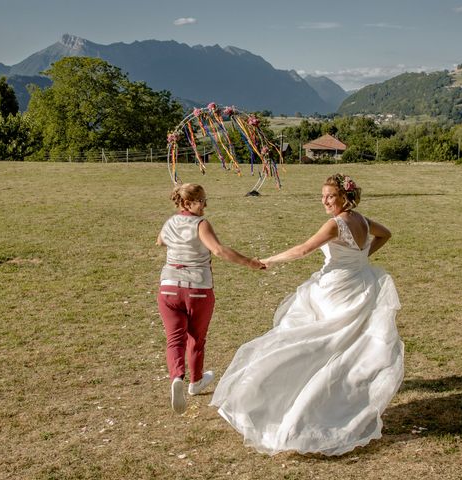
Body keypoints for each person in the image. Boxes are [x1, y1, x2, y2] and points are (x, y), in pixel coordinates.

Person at [210, 173, 404, 455]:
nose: (325, 201)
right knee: (343, 343)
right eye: (323, 195)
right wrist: (361, 258)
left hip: (334, 289)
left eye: (330, 196)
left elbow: (303, 250)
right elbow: (385, 234)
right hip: (358, 283)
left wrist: (266, 260)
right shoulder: (361, 219)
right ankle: (334, 392)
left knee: (311, 340)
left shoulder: (336, 224)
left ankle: (286, 396)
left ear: (344, 197)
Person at [157, 183, 264, 414]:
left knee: (174, 339)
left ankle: (177, 377)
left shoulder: (170, 222)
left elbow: (160, 241)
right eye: (202, 200)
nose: (205, 204)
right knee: (196, 337)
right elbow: (218, 250)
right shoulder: (200, 224)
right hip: (197, 289)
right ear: (188, 203)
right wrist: (249, 262)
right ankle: (195, 382)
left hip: (168, 288)